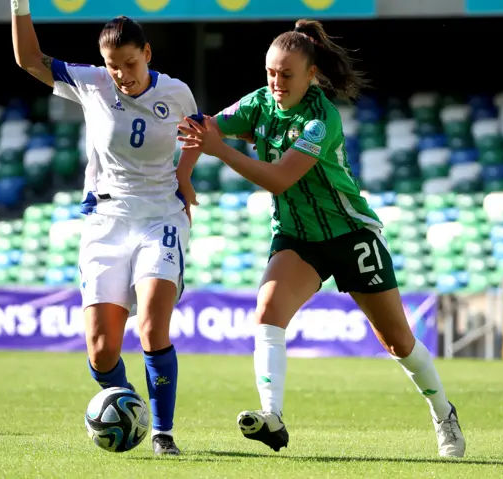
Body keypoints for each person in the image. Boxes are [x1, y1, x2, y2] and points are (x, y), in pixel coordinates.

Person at [176, 19, 466, 459]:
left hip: (351, 235)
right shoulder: (259, 104)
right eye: (271, 73)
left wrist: (220, 150)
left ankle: (443, 412)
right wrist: (183, 177)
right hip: (298, 238)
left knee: (398, 342)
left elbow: (279, 179)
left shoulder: (321, 119)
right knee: (268, 312)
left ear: (311, 74)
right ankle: (272, 417)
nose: (276, 82)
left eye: (286, 74)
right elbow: (203, 127)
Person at [11, 0, 203, 456]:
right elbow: (29, 60)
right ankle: (127, 402)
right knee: (101, 351)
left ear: (148, 54)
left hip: (160, 217)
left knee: (153, 328)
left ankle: (162, 433)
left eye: (130, 63)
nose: (122, 74)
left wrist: (184, 176)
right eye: (114, 66)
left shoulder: (176, 93)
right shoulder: (93, 83)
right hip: (106, 222)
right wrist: (19, 5)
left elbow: (196, 133)